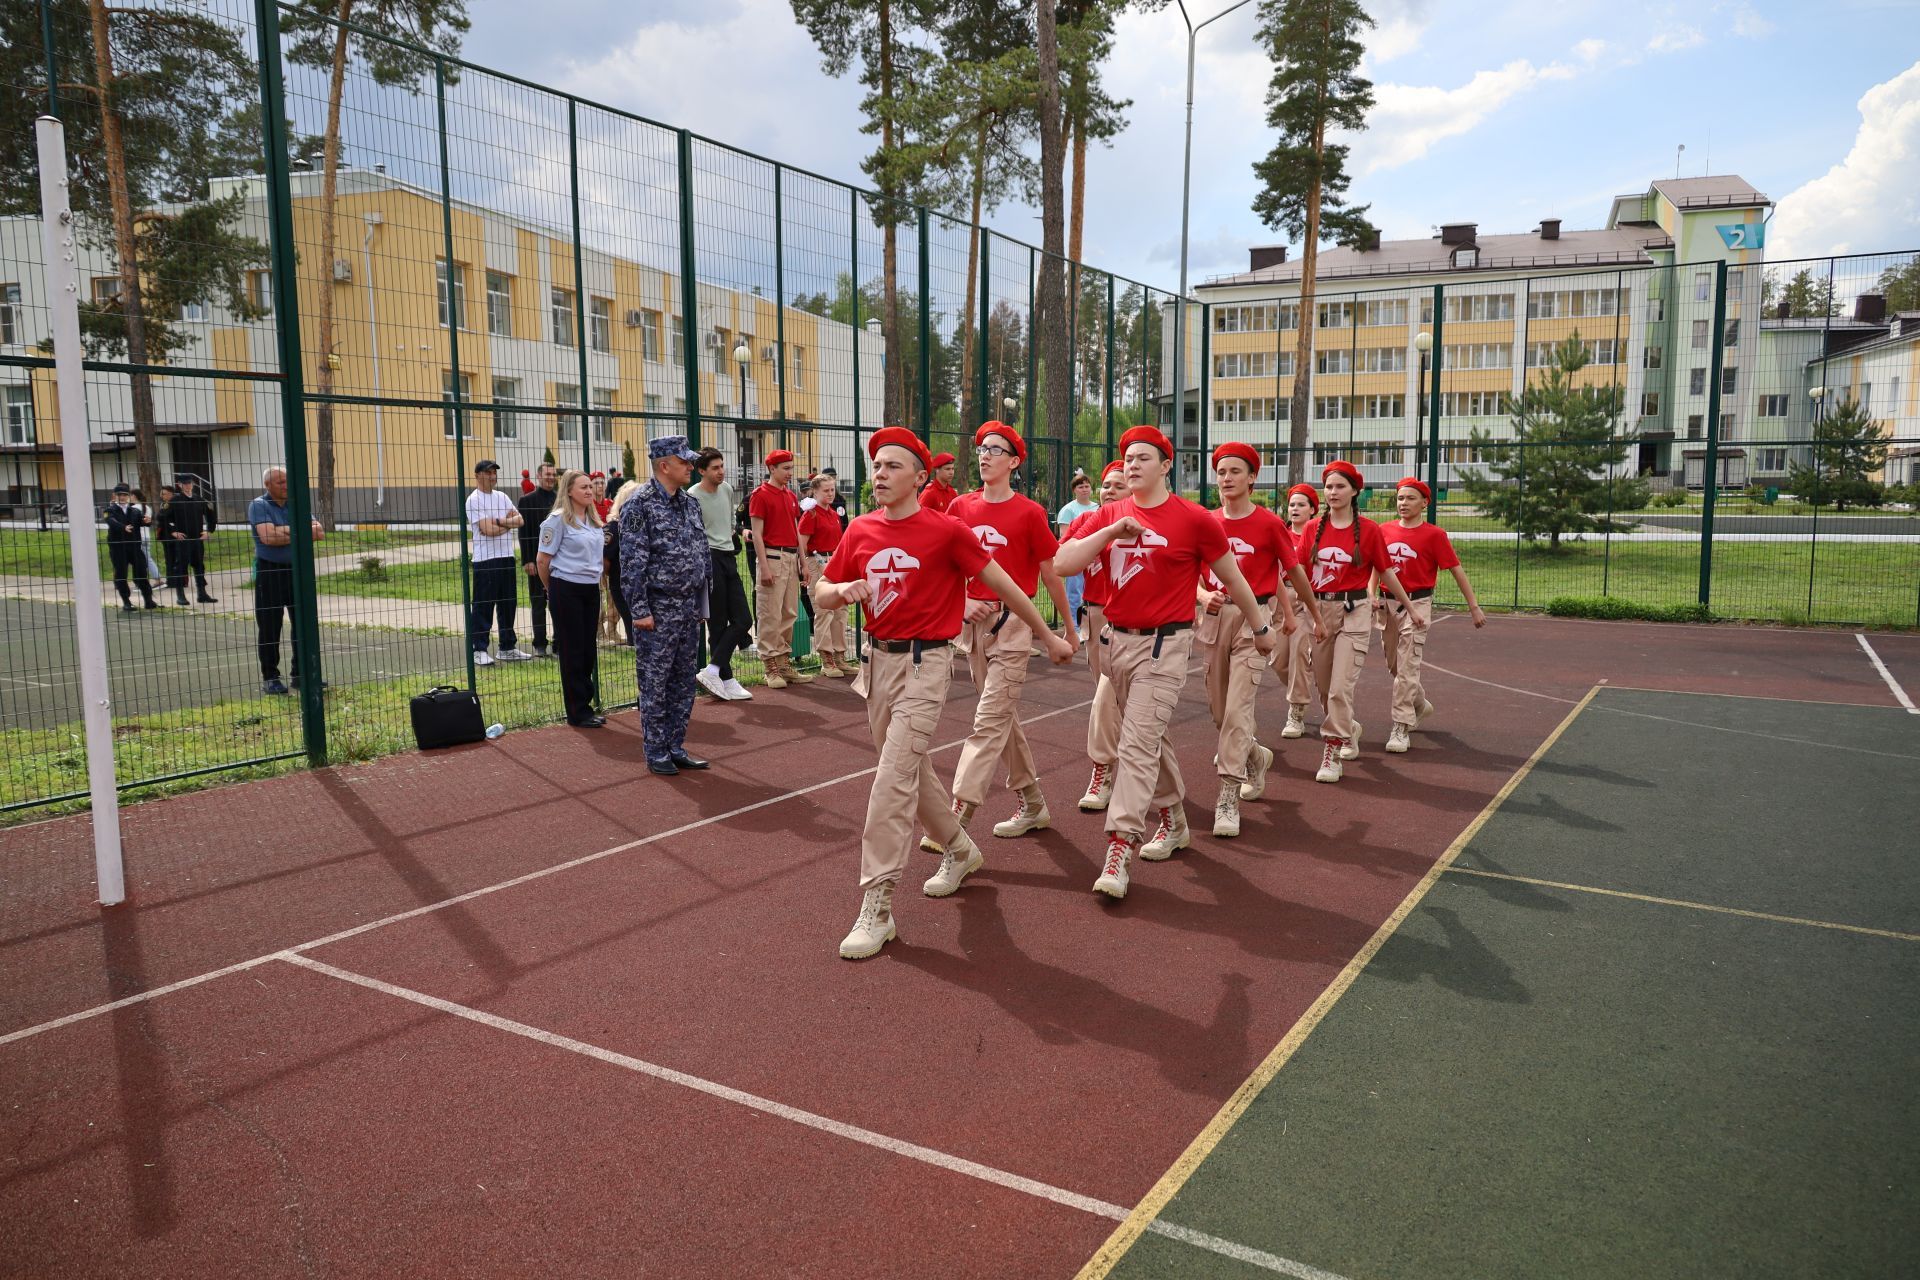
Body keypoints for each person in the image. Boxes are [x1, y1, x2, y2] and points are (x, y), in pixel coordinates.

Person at [814, 427, 1074, 959]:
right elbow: (821, 590)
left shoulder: (947, 531)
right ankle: (959, 848)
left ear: (919, 476)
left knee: (890, 779)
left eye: (891, 466)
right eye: (877, 466)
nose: (879, 474)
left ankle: (878, 903)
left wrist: (1048, 635)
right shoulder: (859, 529)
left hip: (925, 665)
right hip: (876, 665)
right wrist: (839, 590)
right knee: (910, 768)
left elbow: (1004, 584)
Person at [1055, 426, 1275, 899]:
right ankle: (1174, 819)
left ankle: (1119, 847)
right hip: (1116, 644)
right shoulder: (1108, 513)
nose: (1132, 465)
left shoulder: (1194, 519)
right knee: (1151, 736)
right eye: (1127, 458)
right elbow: (1062, 563)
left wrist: (1261, 629)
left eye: (1143, 458)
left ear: (1166, 465)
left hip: (1165, 647)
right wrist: (1113, 530)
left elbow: (1233, 579)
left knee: (1135, 744)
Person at [924, 421, 1077, 854]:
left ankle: (954, 819)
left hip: (1014, 627)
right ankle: (1033, 805)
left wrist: (1065, 629)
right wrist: (957, 605)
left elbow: (1050, 573)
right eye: (981, 448)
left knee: (988, 721)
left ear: (1013, 462)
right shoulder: (959, 508)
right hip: (972, 630)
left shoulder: (1028, 512)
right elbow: (941, 567)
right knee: (1003, 720)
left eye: (995, 449)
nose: (985, 455)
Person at [1197, 444, 1319, 838]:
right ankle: (1255, 755)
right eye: (1221, 471)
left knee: (1237, 711)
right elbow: (1188, 576)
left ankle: (1228, 795)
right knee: (1219, 713)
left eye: (1236, 471)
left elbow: (1293, 572)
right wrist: (1202, 597)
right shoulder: (1205, 522)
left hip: (1255, 623)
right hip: (1215, 621)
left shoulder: (1269, 524)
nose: (1226, 478)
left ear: (1252, 478)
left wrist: (1312, 616)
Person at [1300, 460, 1419, 783]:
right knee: (1324, 689)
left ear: (1354, 491)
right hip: (1321, 614)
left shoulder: (1369, 531)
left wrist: (1408, 606)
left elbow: (1387, 571)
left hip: (1355, 612)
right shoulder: (1312, 529)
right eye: (1328, 486)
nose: (1332, 492)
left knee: (1340, 687)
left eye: (1340, 486)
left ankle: (1331, 750)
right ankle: (1348, 727)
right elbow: (1296, 571)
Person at [620, 436, 713, 776]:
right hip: (657, 610)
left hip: (688, 608)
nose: (691, 467)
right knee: (655, 682)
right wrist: (639, 610)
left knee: (683, 682)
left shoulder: (689, 504)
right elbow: (631, 564)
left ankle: (675, 745)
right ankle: (656, 750)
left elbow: (701, 553)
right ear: (664, 465)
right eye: (685, 462)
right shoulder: (639, 505)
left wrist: (703, 604)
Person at [1377, 477, 1487, 753]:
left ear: (1425, 503)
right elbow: (1374, 566)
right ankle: (1419, 703)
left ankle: (1401, 726)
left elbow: (1456, 570)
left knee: (1407, 666)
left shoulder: (1434, 536)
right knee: (1394, 665)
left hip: (1419, 605)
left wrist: (1473, 606)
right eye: (1400, 498)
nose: (1403, 503)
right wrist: (1370, 595)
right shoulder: (1383, 531)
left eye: (1410, 498)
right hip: (1387, 604)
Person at [1072, 460, 1125, 812]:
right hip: (1094, 616)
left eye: (1117, 486)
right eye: (1105, 485)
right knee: (1106, 698)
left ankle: (1104, 771)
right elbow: (1060, 560)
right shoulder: (1085, 523)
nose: (1108, 491)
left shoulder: (1139, 527)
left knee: (1106, 700)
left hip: (1125, 621)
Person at [536, 469, 607, 727]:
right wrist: (551, 589)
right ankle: (577, 711)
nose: (590, 491)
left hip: (590, 589)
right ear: (568, 491)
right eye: (583, 487)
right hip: (566, 588)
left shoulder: (593, 520)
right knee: (572, 650)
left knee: (587, 649)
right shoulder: (557, 520)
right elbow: (543, 560)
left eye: (591, 486)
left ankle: (585, 704)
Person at [249, 466, 325, 694]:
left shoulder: (298, 503)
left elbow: (319, 532)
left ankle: (301, 675)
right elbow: (268, 537)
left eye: (287, 481)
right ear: (268, 485)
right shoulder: (259, 505)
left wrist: (283, 530)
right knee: (270, 626)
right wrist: (300, 532)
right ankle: (270, 677)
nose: (286, 485)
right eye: (280, 482)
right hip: (270, 572)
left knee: (302, 624)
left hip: (298, 571)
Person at [691, 448, 753, 701]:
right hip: (709, 559)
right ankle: (726, 679)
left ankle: (713, 669)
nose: (720, 471)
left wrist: (739, 531)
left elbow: (726, 524)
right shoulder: (692, 496)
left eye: (721, 466)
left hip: (728, 557)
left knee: (743, 619)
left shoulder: (727, 489)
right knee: (716, 624)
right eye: (714, 467)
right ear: (701, 470)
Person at [749, 448, 811, 688]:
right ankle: (770, 665)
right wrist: (764, 567)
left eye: (791, 468)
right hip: (772, 557)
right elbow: (756, 534)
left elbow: (795, 530)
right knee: (770, 613)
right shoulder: (760, 495)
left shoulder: (790, 496)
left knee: (789, 613)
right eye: (785, 468)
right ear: (771, 469)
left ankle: (784, 663)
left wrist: (803, 562)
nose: (789, 473)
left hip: (790, 557)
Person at [798, 473, 855, 678]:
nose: (830, 494)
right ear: (815, 491)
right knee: (823, 610)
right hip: (816, 561)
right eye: (826, 490)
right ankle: (826, 659)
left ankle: (840, 656)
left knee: (841, 610)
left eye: (832, 490)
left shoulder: (833, 513)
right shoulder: (810, 514)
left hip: (834, 562)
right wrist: (805, 567)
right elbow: (802, 544)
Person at [1277, 483, 1320, 740]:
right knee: (1278, 658)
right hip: (1281, 598)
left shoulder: (1318, 536)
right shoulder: (1280, 533)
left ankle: (1296, 711)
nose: (1295, 508)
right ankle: (1303, 680)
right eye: (1292, 504)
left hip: (1306, 599)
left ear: (1313, 510)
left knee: (1298, 652)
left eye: (1301, 504)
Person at [517, 462, 559, 658]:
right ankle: (540, 644)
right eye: (547, 474)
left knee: (558, 603)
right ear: (538, 476)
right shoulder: (527, 501)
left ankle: (559, 643)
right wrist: (528, 560)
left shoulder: (561, 499)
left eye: (553, 474)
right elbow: (524, 533)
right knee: (538, 603)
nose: (551, 477)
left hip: (559, 561)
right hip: (536, 561)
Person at [164, 473, 218, 605]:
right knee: (181, 567)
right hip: (183, 540)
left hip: (197, 540)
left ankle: (202, 594)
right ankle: (180, 595)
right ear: (179, 485)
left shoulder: (199, 500)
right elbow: (162, 519)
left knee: (199, 566)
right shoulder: (174, 501)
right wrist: (173, 532)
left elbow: (211, 517)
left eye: (190, 483)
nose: (188, 486)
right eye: (185, 483)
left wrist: (208, 531)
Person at [103, 482, 156, 612]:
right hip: (118, 548)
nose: (122, 497)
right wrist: (123, 527)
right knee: (121, 574)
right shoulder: (110, 510)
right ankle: (126, 602)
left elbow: (142, 521)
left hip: (134, 547)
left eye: (125, 495)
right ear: (115, 496)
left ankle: (148, 600)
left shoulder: (134, 511)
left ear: (128, 496)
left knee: (142, 572)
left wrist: (147, 521)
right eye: (119, 495)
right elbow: (111, 521)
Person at [1055, 472, 1098, 626]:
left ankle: (1090, 624)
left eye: (1087, 486)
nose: (1085, 489)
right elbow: (1065, 536)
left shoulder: (1097, 507)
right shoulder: (1068, 509)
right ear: (1074, 490)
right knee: (1074, 592)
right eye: (1081, 486)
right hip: (1076, 555)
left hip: (1095, 557)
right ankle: (1074, 625)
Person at [603, 479, 637, 647]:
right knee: (635, 628)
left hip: (644, 584)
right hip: (623, 585)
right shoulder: (614, 528)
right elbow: (605, 561)